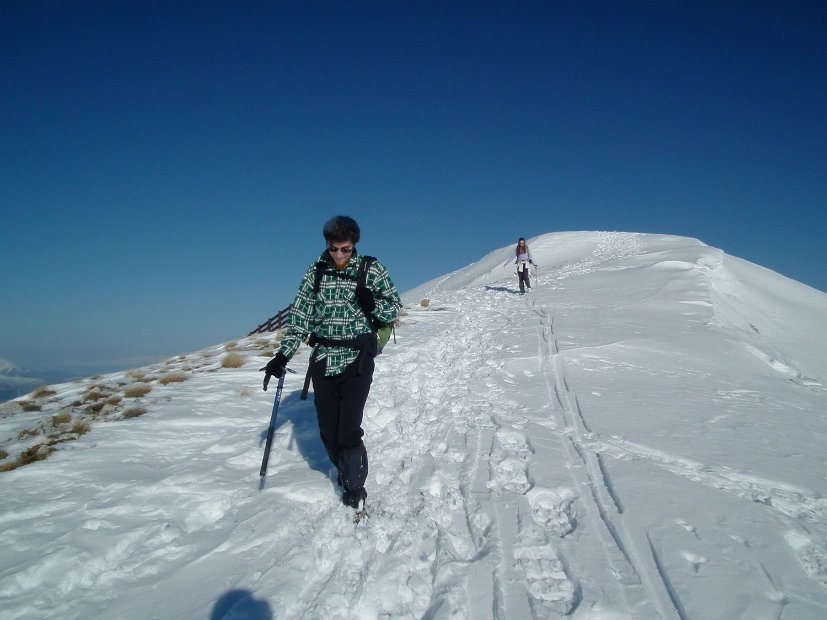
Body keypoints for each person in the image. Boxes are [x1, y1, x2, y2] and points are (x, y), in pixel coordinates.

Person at [262, 216, 402, 511]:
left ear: (354, 245)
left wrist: (373, 305)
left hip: (357, 359)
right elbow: (300, 316)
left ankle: (355, 488)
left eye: (345, 249)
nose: (339, 254)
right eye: (334, 248)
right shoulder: (316, 271)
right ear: (327, 244)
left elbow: (395, 307)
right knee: (328, 429)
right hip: (323, 359)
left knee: (348, 430)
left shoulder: (371, 270)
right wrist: (282, 355)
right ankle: (343, 469)